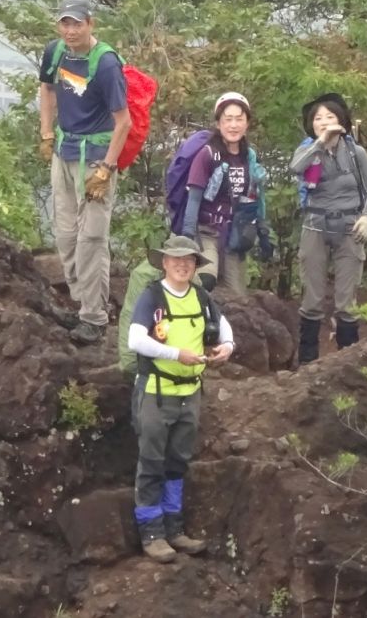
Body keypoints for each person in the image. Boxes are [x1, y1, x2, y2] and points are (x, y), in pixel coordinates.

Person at [127, 235, 235, 563]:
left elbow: (225, 329)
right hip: (156, 392)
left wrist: (227, 348)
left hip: (190, 394)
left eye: (188, 259)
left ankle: (174, 529)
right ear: (164, 262)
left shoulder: (201, 297)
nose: (182, 264)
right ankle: (152, 533)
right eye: (175, 259)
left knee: (178, 462)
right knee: (152, 462)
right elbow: (135, 338)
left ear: (195, 265)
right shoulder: (153, 296)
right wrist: (177, 354)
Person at [39, 0, 131, 344]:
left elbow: (123, 122)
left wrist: (106, 169)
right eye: (65, 23)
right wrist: (46, 132)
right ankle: (84, 303)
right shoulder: (55, 52)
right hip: (64, 152)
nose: (70, 30)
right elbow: (47, 88)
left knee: (92, 238)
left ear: (91, 23)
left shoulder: (105, 64)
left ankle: (93, 318)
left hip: (96, 156)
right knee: (65, 234)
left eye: (77, 23)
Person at [289, 93, 367, 364]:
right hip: (315, 226)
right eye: (318, 118)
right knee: (312, 299)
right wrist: (319, 144)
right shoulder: (307, 150)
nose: (324, 122)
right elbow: (296, 168)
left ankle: (347, 362)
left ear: (342, 121)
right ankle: (307, 363)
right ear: (311, 124)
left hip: (351, 227)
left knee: (346, 302)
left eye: (330, 117)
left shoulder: (356, 152)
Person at [180, 92, 272, 294]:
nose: (233, 125)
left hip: (236, 234)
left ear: (247, 123)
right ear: (218, 123)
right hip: (207, 231)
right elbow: (193, 199)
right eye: (228, 119)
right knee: (206, 280)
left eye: (239, 119)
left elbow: (258, 196)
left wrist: (264, 232)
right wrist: (188, 238)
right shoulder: (207, 154)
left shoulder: (249, 156)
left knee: (238, 296)